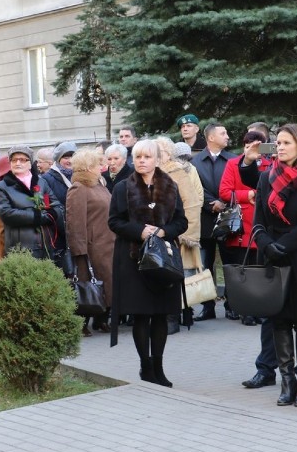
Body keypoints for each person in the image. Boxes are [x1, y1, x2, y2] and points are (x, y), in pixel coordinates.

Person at [252, 124, 297, 407]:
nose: (279, 147)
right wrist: (268, 244)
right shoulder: (265, 179)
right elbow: (258, 218)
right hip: (272, 256)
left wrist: (286, 245)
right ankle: (287, 382)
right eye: (277, 142)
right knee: (279, 319)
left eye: (285, 143)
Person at [108, 139, 188, 388]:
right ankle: (145, 365)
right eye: (138, 156)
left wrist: (163, 232)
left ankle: (159, 367)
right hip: (133, 258)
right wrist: (140, 231)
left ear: (157, 159)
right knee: (142, 315)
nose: (141, 161)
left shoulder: (170, 186)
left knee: (161, 315)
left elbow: (181, 222)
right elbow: (114, 222)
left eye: (147, 157)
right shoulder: (122, 188)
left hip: (163, 260)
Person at [219, 130, 270, 326]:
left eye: (258, 146)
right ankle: (246, 311)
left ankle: (260, 308)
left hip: (262, 222)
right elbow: (224, 191)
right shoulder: (233, 164)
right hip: (242, 223)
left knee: (259, 269)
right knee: (243, 269)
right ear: (244, 146)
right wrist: (247, 194)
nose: (253, 150)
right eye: (249, 146)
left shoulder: (270, 163)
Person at [155, 136, 204, 334]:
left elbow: (191, 202)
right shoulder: (152, 173)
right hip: (157, 234)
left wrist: (187, 233)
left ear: (167, 154)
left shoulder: (177, 172)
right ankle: (169, 316)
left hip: (177, 234)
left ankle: (175, 317)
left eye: (159, 152)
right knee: (165, 275)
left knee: (176, 276)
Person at [66, 149, 116, 336]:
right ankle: (82, 322)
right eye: (97, 164)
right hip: (91, 247)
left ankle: (101, 319)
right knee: (87, 285)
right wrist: (79, 249)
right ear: (88, 167)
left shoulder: (99, 185)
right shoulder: (79, 188)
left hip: (108, 244)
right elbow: (74, 221)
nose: (101, 167)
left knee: (107, 284)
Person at [190, 123, 236, 320]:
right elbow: (195, 187)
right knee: (206, 265)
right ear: (210, 138)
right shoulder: (196, 161)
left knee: (230, 263)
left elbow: (237, 183)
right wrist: (211, 203)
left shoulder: (233, 159)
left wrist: (224, 202)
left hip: (229, 218)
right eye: (223, 133)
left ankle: (232, 305)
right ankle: (207, 307)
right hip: (206, 219)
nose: (227, 136)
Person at [0, 145, 65, 260]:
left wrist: (51, 214)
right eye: (14, 160)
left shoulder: (41, 182)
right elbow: (6, 214)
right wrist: (37, 217)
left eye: (22, 160)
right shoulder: (3, 186)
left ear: (30, 163)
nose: (18, 163)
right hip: (20, 246)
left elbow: (57, 206)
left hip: (44, 244)